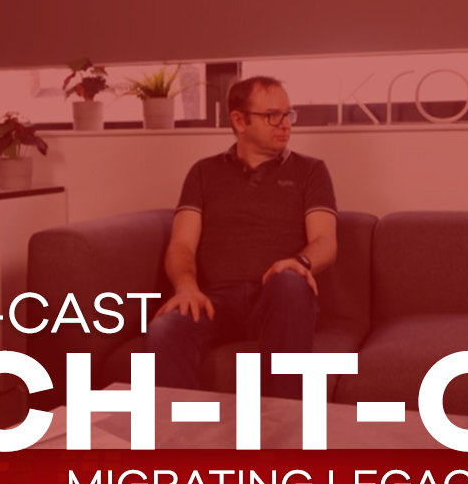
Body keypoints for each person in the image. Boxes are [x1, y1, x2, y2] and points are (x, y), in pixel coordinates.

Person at [144, 76, 338, 399]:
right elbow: (181, 244)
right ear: (239, 120)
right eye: (272, 115)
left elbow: (326, 241)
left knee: (289, 281)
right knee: (164, 329)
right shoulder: (203, 173)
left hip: (277, 297)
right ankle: (180, 443)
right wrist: (186, 286)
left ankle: (282, 431)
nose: (285, 125)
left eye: (288, 115)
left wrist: (299, 262)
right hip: (216, 301)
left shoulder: (310, 171)